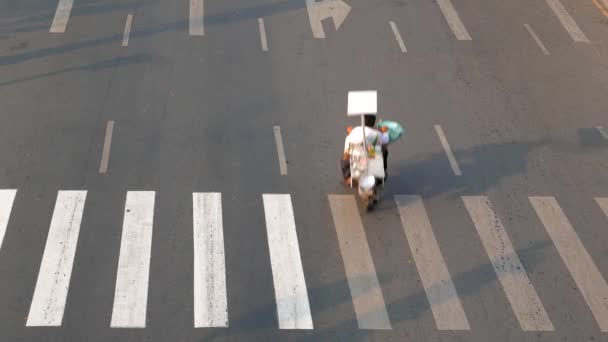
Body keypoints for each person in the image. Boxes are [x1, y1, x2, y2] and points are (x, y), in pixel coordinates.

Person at [341, 115, 389, 184]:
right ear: (374, 123)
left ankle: (347, 177)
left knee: (343, 158)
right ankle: (382, 172)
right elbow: (385, 140)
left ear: (363, 121)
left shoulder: (354, 131)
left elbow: (346, 153)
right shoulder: (376, 134)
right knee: (383, 149)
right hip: (371, 156)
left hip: (356, 157)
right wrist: (384, 132)